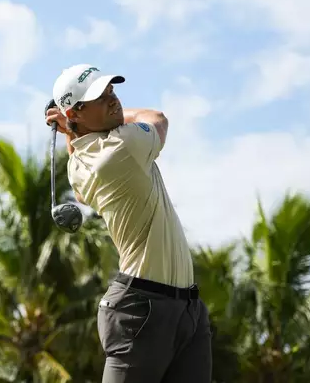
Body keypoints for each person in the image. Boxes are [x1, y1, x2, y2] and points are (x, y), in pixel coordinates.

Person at [45, 64, 212, 383]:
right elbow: (157, 118)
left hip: (188, 310)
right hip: (143, 309)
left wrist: (72, 132)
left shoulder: (79, 162)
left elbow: (80, 194)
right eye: (99, 97)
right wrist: (75, 128)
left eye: (111, 91)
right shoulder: (120, 147)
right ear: (74, 111)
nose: (113, 100)